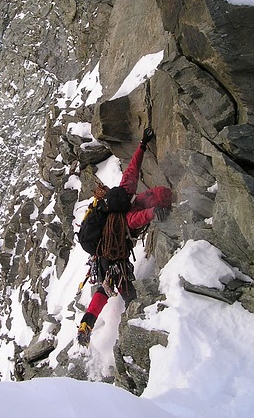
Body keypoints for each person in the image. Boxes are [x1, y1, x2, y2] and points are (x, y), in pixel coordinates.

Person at [77, 128, 171, 346]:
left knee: (105, 288)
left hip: (102, 255)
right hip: (111, 258)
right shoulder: (126, 216)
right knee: (122, 288)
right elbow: (139, 218)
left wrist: (142, 144)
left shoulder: (119, 196)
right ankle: (135, 317)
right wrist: (154, 213)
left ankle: (86, 324)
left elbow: (132, 170)